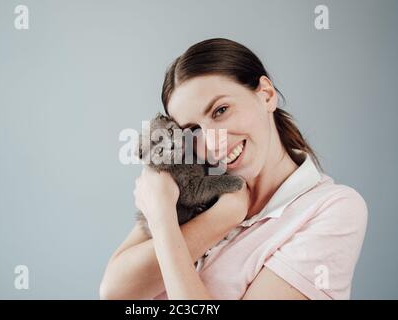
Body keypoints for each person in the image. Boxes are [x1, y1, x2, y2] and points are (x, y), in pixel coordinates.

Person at [100, 38, 368, 300]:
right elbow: (115, 291)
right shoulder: (195, 184)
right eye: (193, 130)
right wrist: (221, 218)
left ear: (266, 95)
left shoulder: (333, 209)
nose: (212, 143)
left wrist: (162, 218)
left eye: (220, 110)